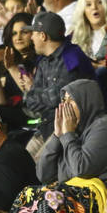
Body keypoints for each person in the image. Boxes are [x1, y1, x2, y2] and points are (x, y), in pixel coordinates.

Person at [11, 12, 95, 144]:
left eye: (34, 33)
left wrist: (33, 92)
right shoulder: (44, 61)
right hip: (47, 126)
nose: (31, 38)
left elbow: (59, 98)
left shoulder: (71, 58)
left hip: (73, 130)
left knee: (41, 163)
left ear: (43, 36)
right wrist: (36, 94)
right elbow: (30, 104)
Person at [37, 78, 107, 188]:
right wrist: (57, 136)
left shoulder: (105, 127)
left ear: (87, 101)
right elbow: (43, 175)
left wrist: (68, 135)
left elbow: (82, 170)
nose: (66, 105)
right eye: (64, 100)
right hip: (75, 196)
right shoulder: (71, 131)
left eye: (71, 99)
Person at [72, 0, 107, 65]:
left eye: (99, 2)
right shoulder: (76, 36)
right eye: (88, 4)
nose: (94, 7)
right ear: (83, 11)